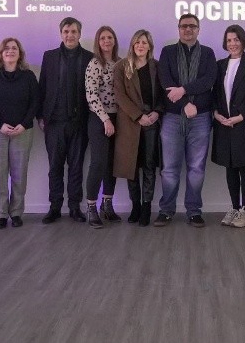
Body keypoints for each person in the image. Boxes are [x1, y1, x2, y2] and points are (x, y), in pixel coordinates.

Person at [154, 13, 217, 227]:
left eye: (192, 26)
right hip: (172, 118)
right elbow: (166, 81)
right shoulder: (168, 52)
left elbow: (208, 81)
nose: (188, 29)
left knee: (196, 168)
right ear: (178, 29)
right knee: (169, 169)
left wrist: (183, 90)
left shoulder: (208, 53)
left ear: (198, 29)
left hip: (201, 118)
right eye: (184, 26)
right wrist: (184, 103)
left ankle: (194, 211)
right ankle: (166, 210)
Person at [38, 17, 94, 224]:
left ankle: (74, 207)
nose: (70, 35)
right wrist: (40, 116)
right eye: (66, 31)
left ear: (80, 34)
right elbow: (42, 87)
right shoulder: (50, 56)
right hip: (54, 122)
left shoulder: (90, 57)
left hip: (80, 122)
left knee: (76, 166)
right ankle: (54, 207)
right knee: (55, 166)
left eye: (73, 32)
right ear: (61, 33)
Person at [0, 38, 39, 229]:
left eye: (14, 48)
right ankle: (1, 214)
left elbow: (35, 102)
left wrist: (24, 124)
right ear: (0, 53)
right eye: (6, 48)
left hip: (22, 131)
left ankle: (17, 212)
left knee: (19, 174)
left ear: (19, 53)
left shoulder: (28, 76)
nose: (10, 51)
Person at [211, 25, 245, 228]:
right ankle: (234, 207)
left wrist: (240, 116)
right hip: (224, 123)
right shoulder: (219, 65)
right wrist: (216, 113)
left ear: (243, 41)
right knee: (230, 166)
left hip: (244, 123)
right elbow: (215, 93)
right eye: (229, 40)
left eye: (236, 39)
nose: (232, 43)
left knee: (244, 165)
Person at [114, 30, 164, 227]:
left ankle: (146, 207)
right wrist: (138, 116)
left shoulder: (157, 67)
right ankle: (135, 205)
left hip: (151, 122)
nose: (140, 45)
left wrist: (157, 112)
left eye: (144, 42)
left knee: (149, 165)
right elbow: (119, 96)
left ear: (149, 45)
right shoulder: (122, 66)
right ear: (132, 45)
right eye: (137, 42)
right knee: (132, 166)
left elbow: (163, 94)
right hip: (130, 123)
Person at [83, 26, 121, 228]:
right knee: (98, 162)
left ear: (114, 40)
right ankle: (91, 207)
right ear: (98, 42)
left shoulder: (120, 63)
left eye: (110, 37)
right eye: (103, 38)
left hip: (118, 118)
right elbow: (91, 95)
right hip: (99, 118)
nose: (107, 41)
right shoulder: (95, 63)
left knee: (112, 163)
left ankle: (107, 204)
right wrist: (105, 119)